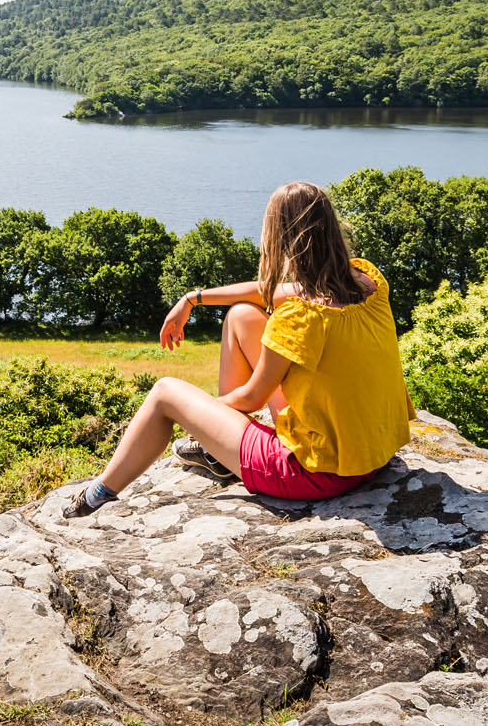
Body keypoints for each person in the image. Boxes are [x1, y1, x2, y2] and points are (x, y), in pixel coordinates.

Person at [66, 181, 412, 516]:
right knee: (243, 316)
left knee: (164, 394)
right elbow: (265, 291)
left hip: (312, 473)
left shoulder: (300, 318)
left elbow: (250, 400)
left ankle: (96, 496)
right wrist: (193, 298)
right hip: (369, 456)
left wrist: (200, 413)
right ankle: (219, 455)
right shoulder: (368, 281)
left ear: (281, 238)